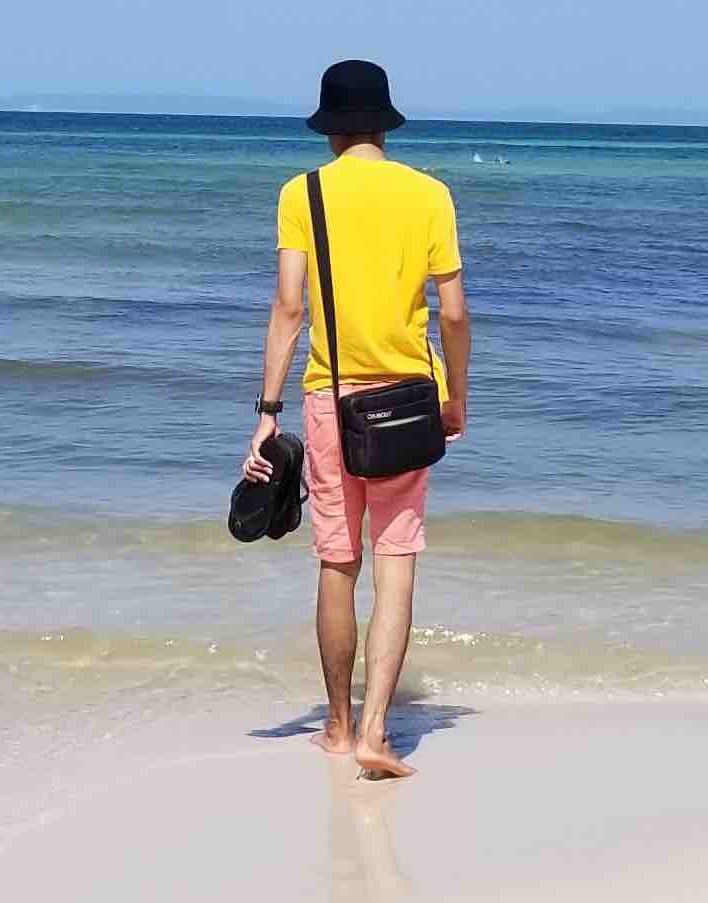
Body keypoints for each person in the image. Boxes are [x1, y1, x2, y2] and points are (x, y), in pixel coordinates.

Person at [242, 60, 471, 778]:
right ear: (383, 124)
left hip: (329, 400)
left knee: (338, 563)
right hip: (410, 400)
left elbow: (289, 307)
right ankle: (377, 732)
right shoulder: (429, 194)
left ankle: (339, 727)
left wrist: (267, 412)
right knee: (396, 563)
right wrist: (457, 396)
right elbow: (453, 313)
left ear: (329, 128)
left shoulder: (302, 193)